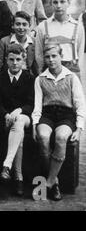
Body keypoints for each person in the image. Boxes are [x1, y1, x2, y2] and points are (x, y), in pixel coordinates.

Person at [32, 41, 85, 201]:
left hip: (66, 115)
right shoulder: (40, 79)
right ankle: (54, 181)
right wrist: (34, 125)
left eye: (54, 56)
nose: (51, 60)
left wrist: (79, 128)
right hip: (47, 114)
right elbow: (37, 106)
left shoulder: (71, 77)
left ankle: (49, 182)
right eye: (47, 57)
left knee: (61, 138)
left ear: (61, 56)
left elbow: (80, 104)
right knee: (43, 137)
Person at [0, 43, 35, 196]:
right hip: (5, 120)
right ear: (6, 60)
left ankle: (7, 166)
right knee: (18, 134)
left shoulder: (30, 79)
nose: (15, 63)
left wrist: (19, 110)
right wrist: (5, 115)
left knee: (19, 121)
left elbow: (31, 103)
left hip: (25, 118)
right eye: (11, 59)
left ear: (23, 60)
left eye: (18, 59)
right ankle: (18, 178)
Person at [35, 0, 84, 78]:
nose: (58, 5)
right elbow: (39, 53)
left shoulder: (77, 27)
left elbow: (80, 53)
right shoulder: (43, 26)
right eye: (55, 2)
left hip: (71, 73)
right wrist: (41, 73)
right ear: (51, 4)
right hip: (49, 72)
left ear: (68, 3)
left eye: (62, 2)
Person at [0, 11, 37, 78]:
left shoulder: (34, 42)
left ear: (29, 26)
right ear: (12, 26)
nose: (21, 28)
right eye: (18, 24)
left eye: (24, 24)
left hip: (28, 78)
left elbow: (37, 65)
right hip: (8, 78)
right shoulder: (4, 42)